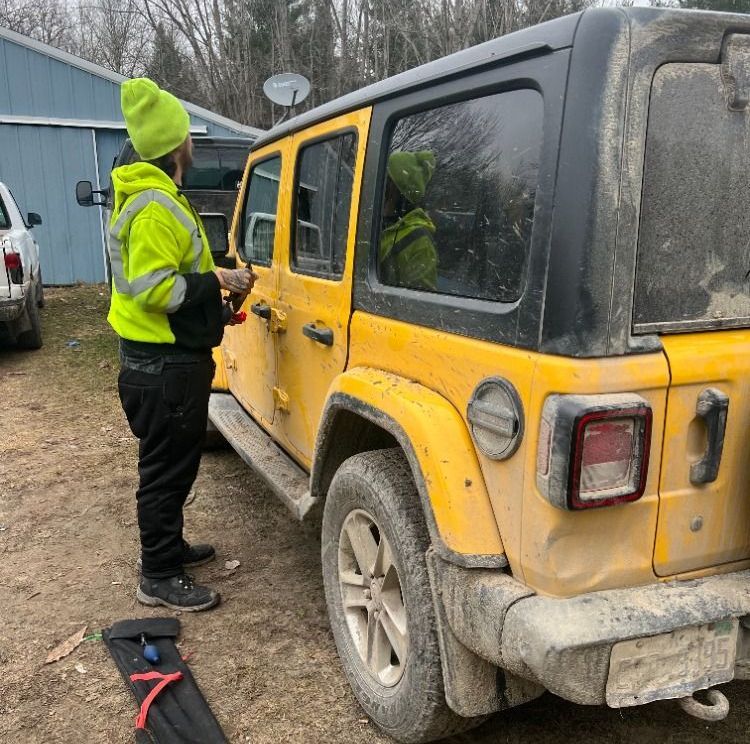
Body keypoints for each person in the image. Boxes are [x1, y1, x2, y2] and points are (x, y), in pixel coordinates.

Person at [109, 78, 255, 612]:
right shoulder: (153, 207)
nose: (192, 142)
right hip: (161, 367)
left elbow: (175, 276)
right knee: (165, 470)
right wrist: (216, 283)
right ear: (176, 144)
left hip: (167, 360)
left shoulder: (159, 197)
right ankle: (159, 575)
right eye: (186, 134)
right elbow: (154, 290)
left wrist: (214, 304)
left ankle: (170, 548)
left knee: (175, 463)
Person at [379, 150, 438, 291]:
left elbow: (419, 303)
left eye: (386, 179)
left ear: (395, 189)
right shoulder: (376, 223)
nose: (380, 185)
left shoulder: (421, 242)